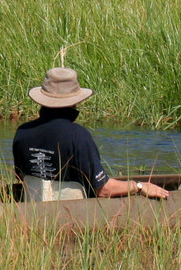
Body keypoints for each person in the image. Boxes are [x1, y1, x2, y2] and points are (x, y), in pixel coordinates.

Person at [12, 67, 170, 201]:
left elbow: (20, 176)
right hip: (74, 216)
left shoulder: (22, 132)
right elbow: (103, 190)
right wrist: (139, 186)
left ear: (43, 99)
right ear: (75, 101)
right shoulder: (78, 135)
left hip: (34, 212)